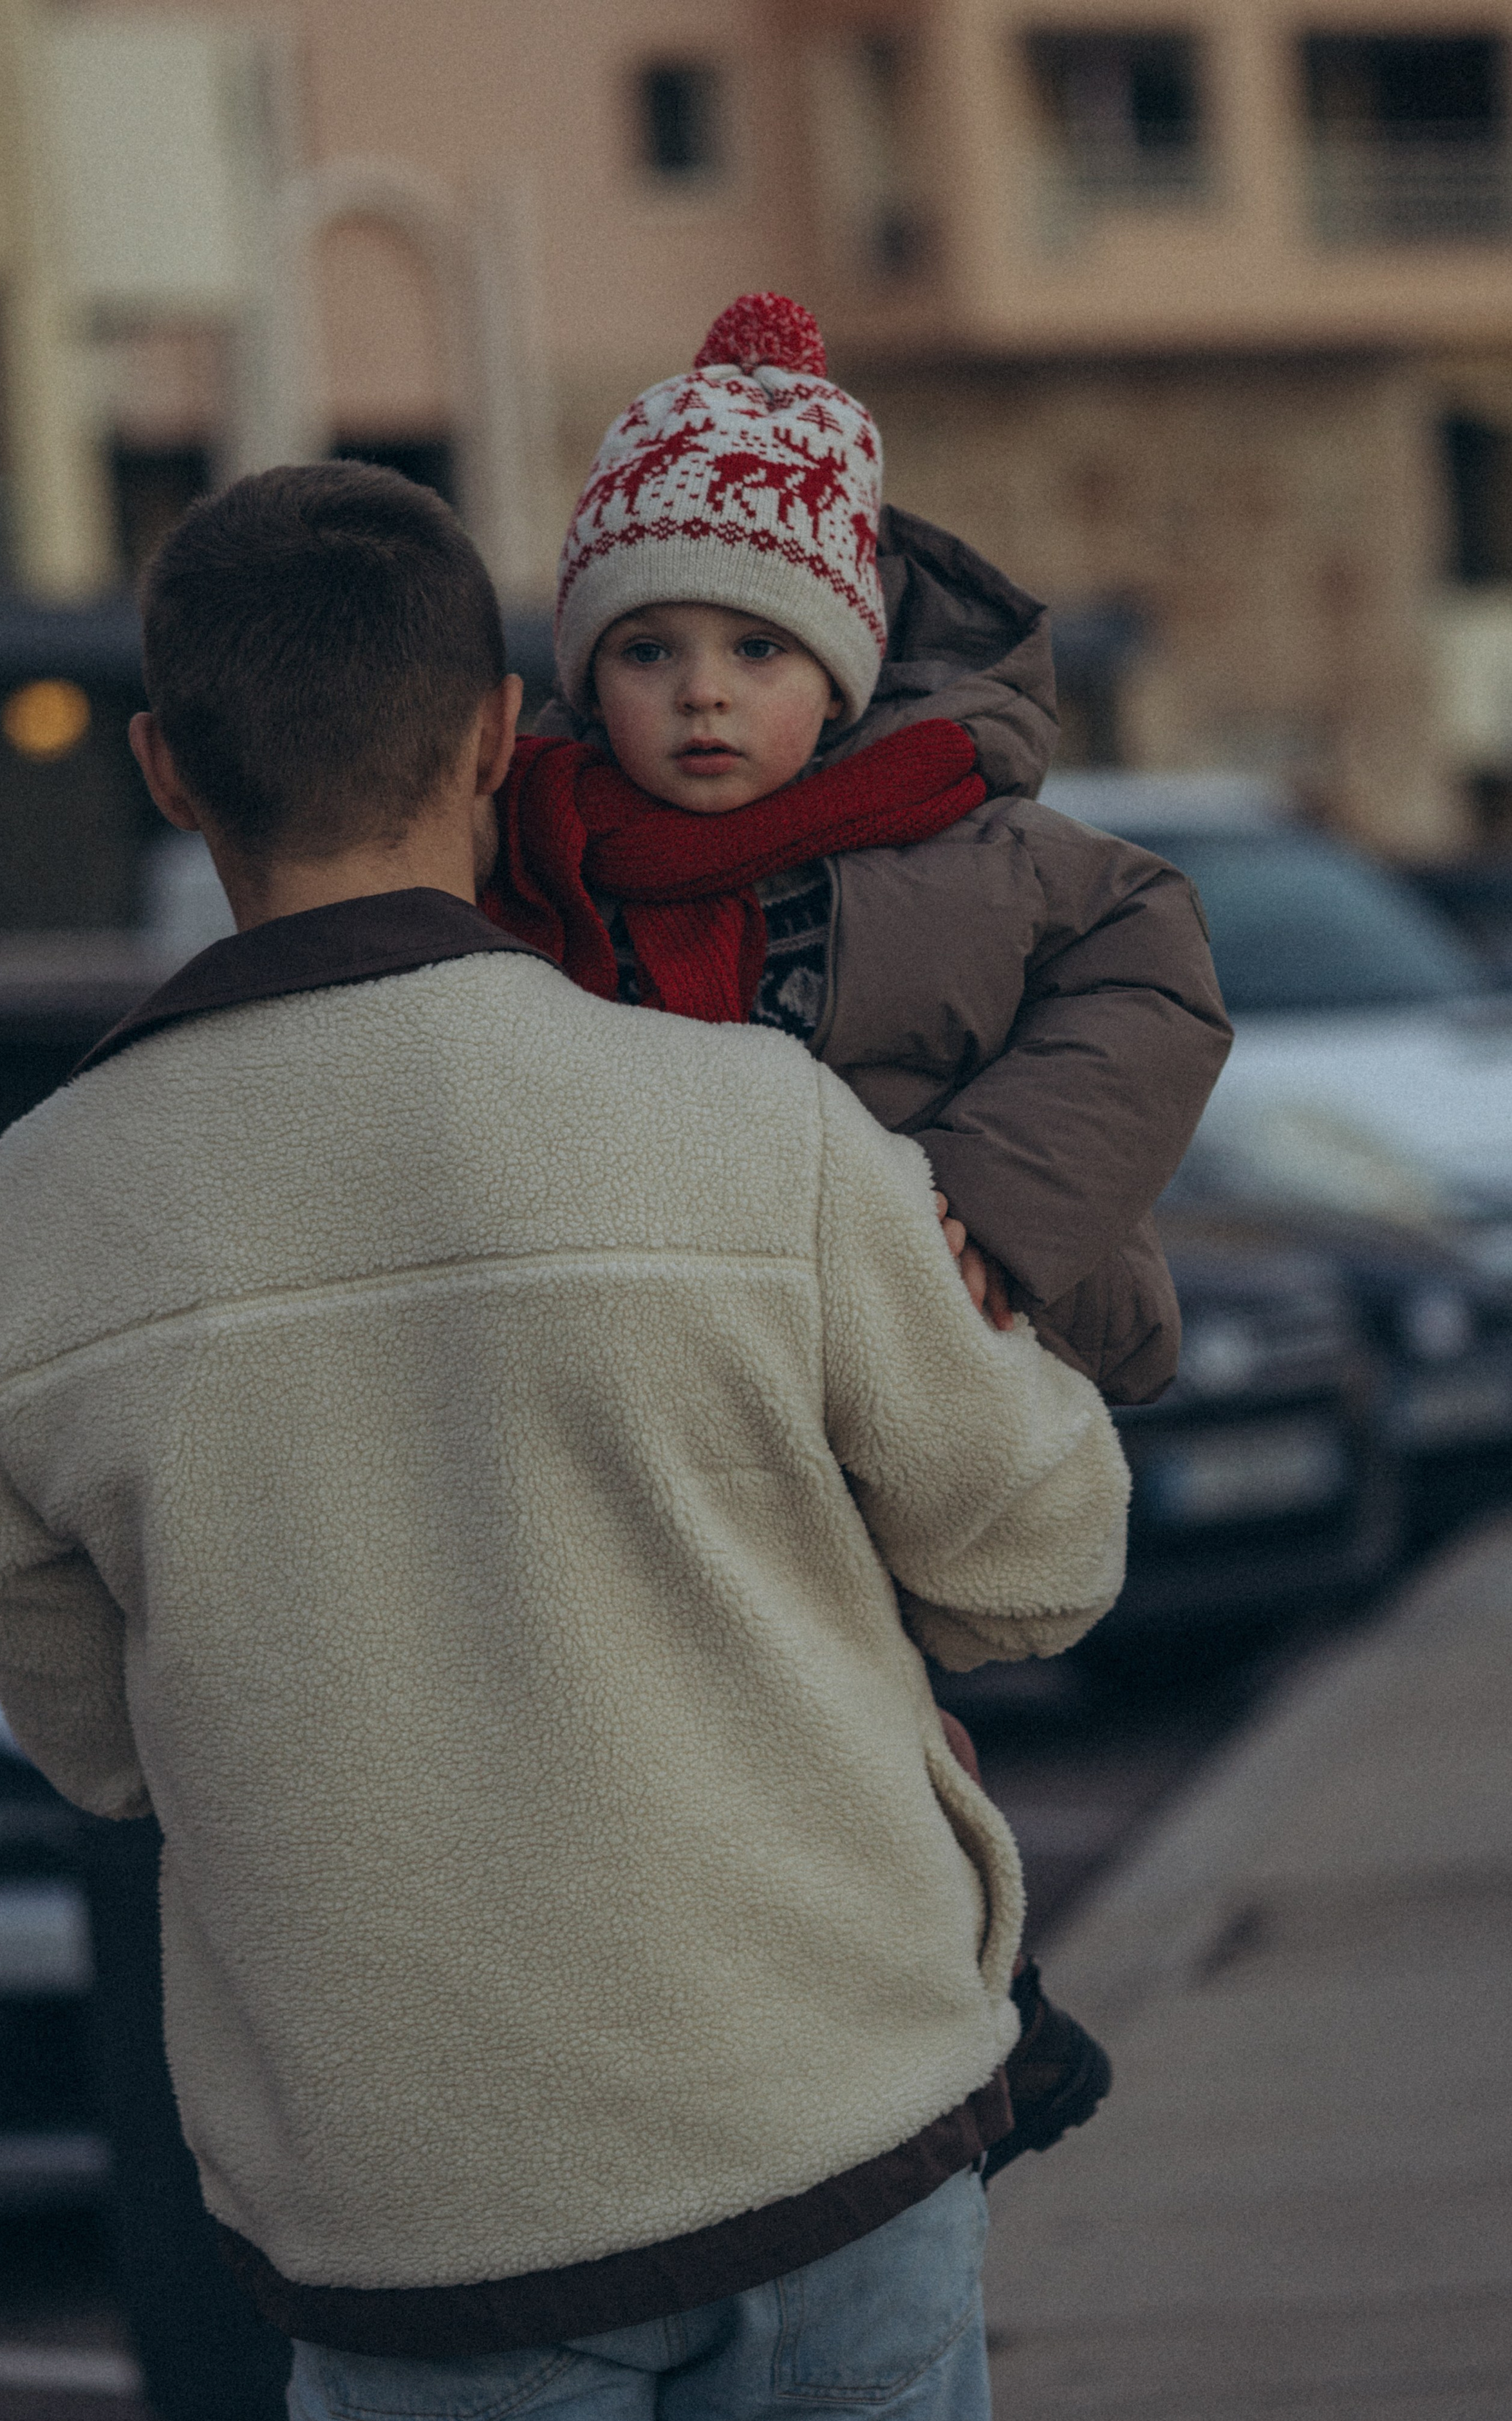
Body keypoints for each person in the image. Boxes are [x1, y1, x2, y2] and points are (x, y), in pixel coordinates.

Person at [0, 460, 1130, 2421]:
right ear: (501, 733)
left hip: (416, 2214)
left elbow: (95, 1740)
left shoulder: (35, 1218)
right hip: (820, 2124)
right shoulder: (750, 1122)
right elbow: (1043, 1566)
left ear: (163, 766)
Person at [483, 290, 1234, 2174]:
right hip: (690, 1361)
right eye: (649, 650)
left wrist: (999, 1188)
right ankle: (875, 2019)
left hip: (916, 1334)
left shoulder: (958, 839)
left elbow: (1157, 973)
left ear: (844, 661)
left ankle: (977, 2001)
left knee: (858, 1693)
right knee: (747, 1710)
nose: (705, 694)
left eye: (755, 644)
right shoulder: (546, 856)